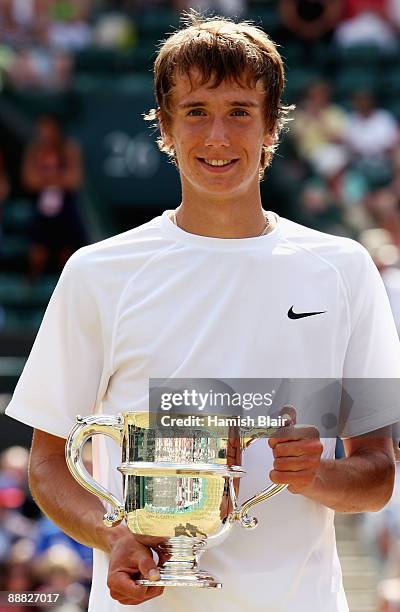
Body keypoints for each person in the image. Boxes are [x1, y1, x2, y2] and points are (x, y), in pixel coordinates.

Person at [5, 11, 400, 612]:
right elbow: (47, 463)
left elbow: (376, 473)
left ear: (272, 126)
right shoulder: (97, 272)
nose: (218, 137)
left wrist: (318, 475)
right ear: (165, 126)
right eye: (196, 113)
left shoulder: (343, 270)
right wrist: (113, 536)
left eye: (240, 111)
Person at [21, 114, 87, 280]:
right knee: (37, 250)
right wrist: (56, 178)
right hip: (40, 208)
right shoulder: (34, 150)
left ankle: (68, 282)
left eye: (48, 130)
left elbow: (75, 180)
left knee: (68, 251)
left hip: (66, 207)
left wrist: (47, 178)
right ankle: (32, 284)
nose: (45, 135)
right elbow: (29, 180)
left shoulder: (70, 148)